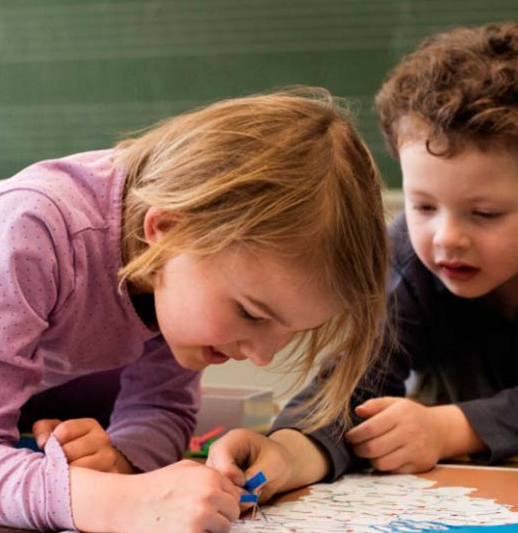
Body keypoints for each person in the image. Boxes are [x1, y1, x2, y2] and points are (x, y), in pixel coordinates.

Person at [0, 87, 388, 532]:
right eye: (254, 314)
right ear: (163, 232)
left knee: (99, 416)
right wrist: (123, 502)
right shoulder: (37, 228)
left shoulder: (180, 269)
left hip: (35, 361)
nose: (261, 355)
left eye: (287, 331)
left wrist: (123, 460)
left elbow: (160, 405)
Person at [207, 21, 518, 504]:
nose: (446, 238)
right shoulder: (411, 261)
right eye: (423, 206)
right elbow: (354, 384)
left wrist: (450, 428)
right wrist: (288, 453)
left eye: (485, 214)